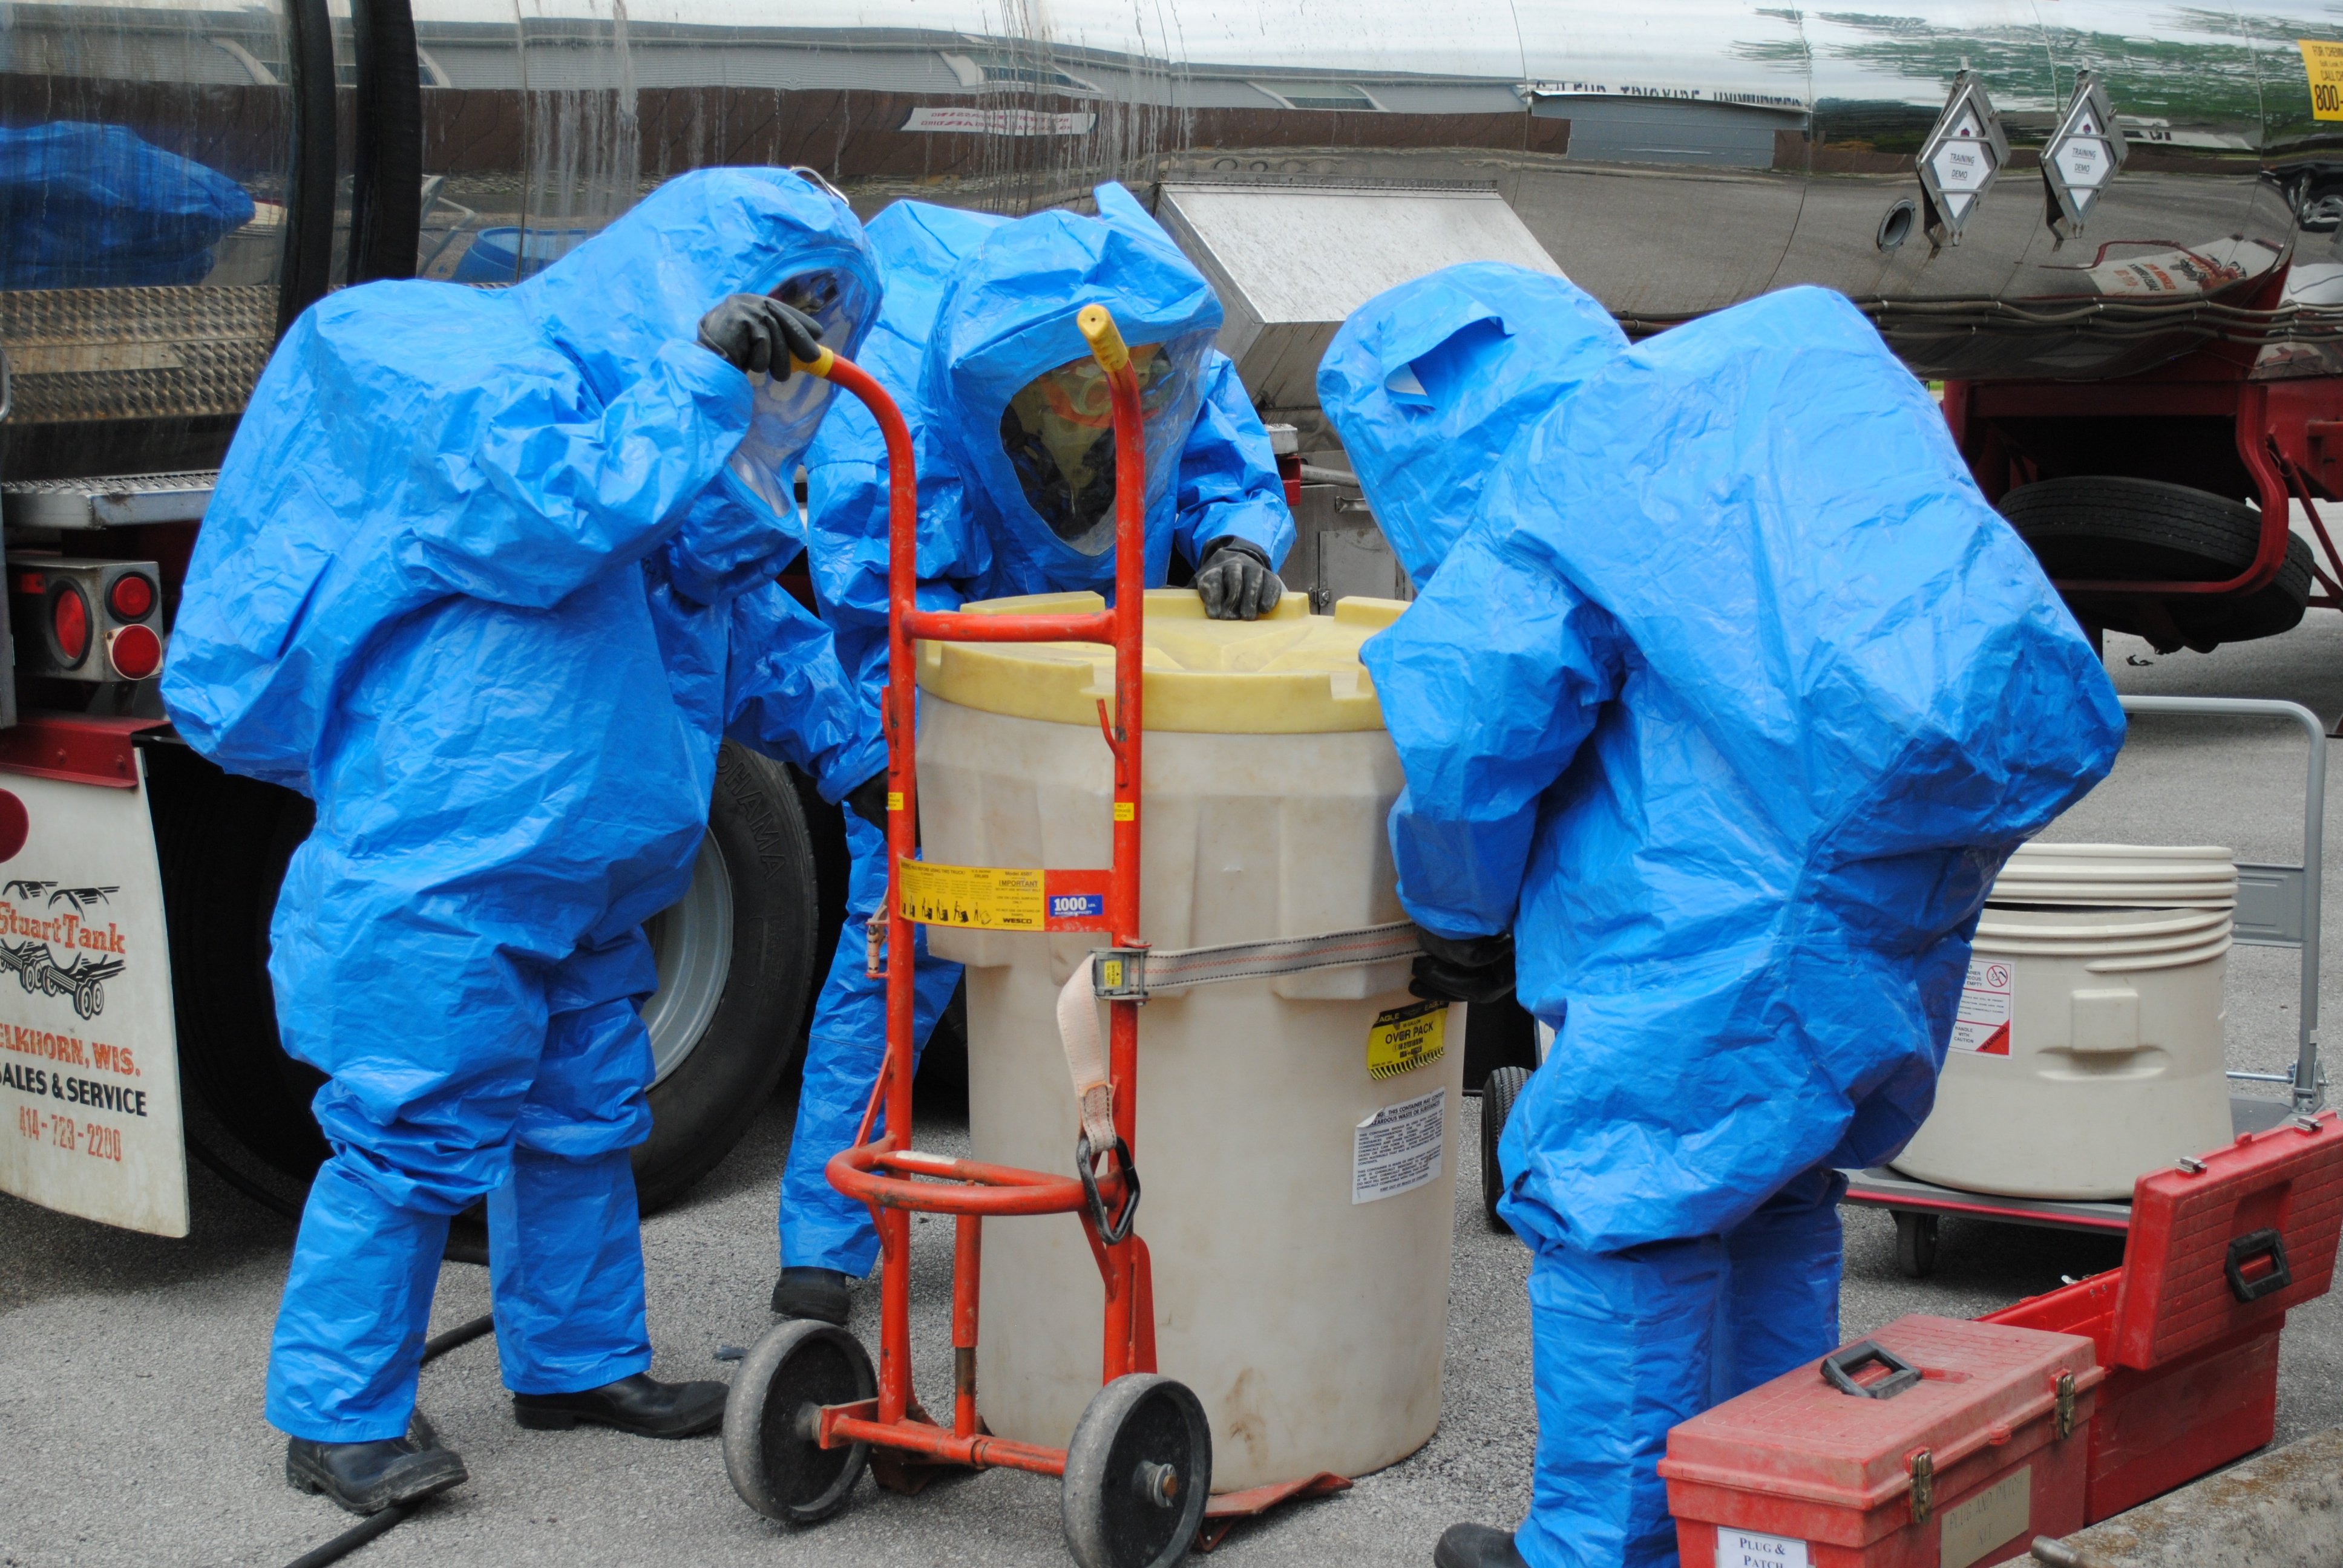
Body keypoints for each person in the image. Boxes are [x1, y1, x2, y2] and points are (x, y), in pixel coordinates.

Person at [1317, 265, 2126, 1568]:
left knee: (1619, 1205)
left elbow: (1471, 740)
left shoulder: (1556, 479)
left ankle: (1600, 1552)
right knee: (1776, 1190)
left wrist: (1454, 916)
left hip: (1715, 917)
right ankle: (1772, 1528)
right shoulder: (1752, 378)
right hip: (1894, 880)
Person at [162, 168, 891, 1515]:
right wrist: (699, 387)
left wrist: (866, 760)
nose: (787, 342)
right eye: (777, 303)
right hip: (448, 858)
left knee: (580, 1118)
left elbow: (734, 633)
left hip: (594, 867)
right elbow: (549, 520)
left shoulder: (681, 440)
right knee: (410, 1128)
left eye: (808, 322)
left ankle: (576, 1365)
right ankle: (338, 1417)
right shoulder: (460, 365)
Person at [770, 183, 1295, 1324]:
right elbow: (880, 615)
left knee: (1130, 942)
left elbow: (1221, 449)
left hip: (1117, 682)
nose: (1113, 417)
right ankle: (827, 1235)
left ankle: (1147, 1192)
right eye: (1073, 407)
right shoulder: (903, 409)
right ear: (1009, 396)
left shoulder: (1142, 336)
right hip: (962, 707)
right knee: (903, 948)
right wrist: (896, 763)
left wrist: (1240, 536)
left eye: (1135, 396)